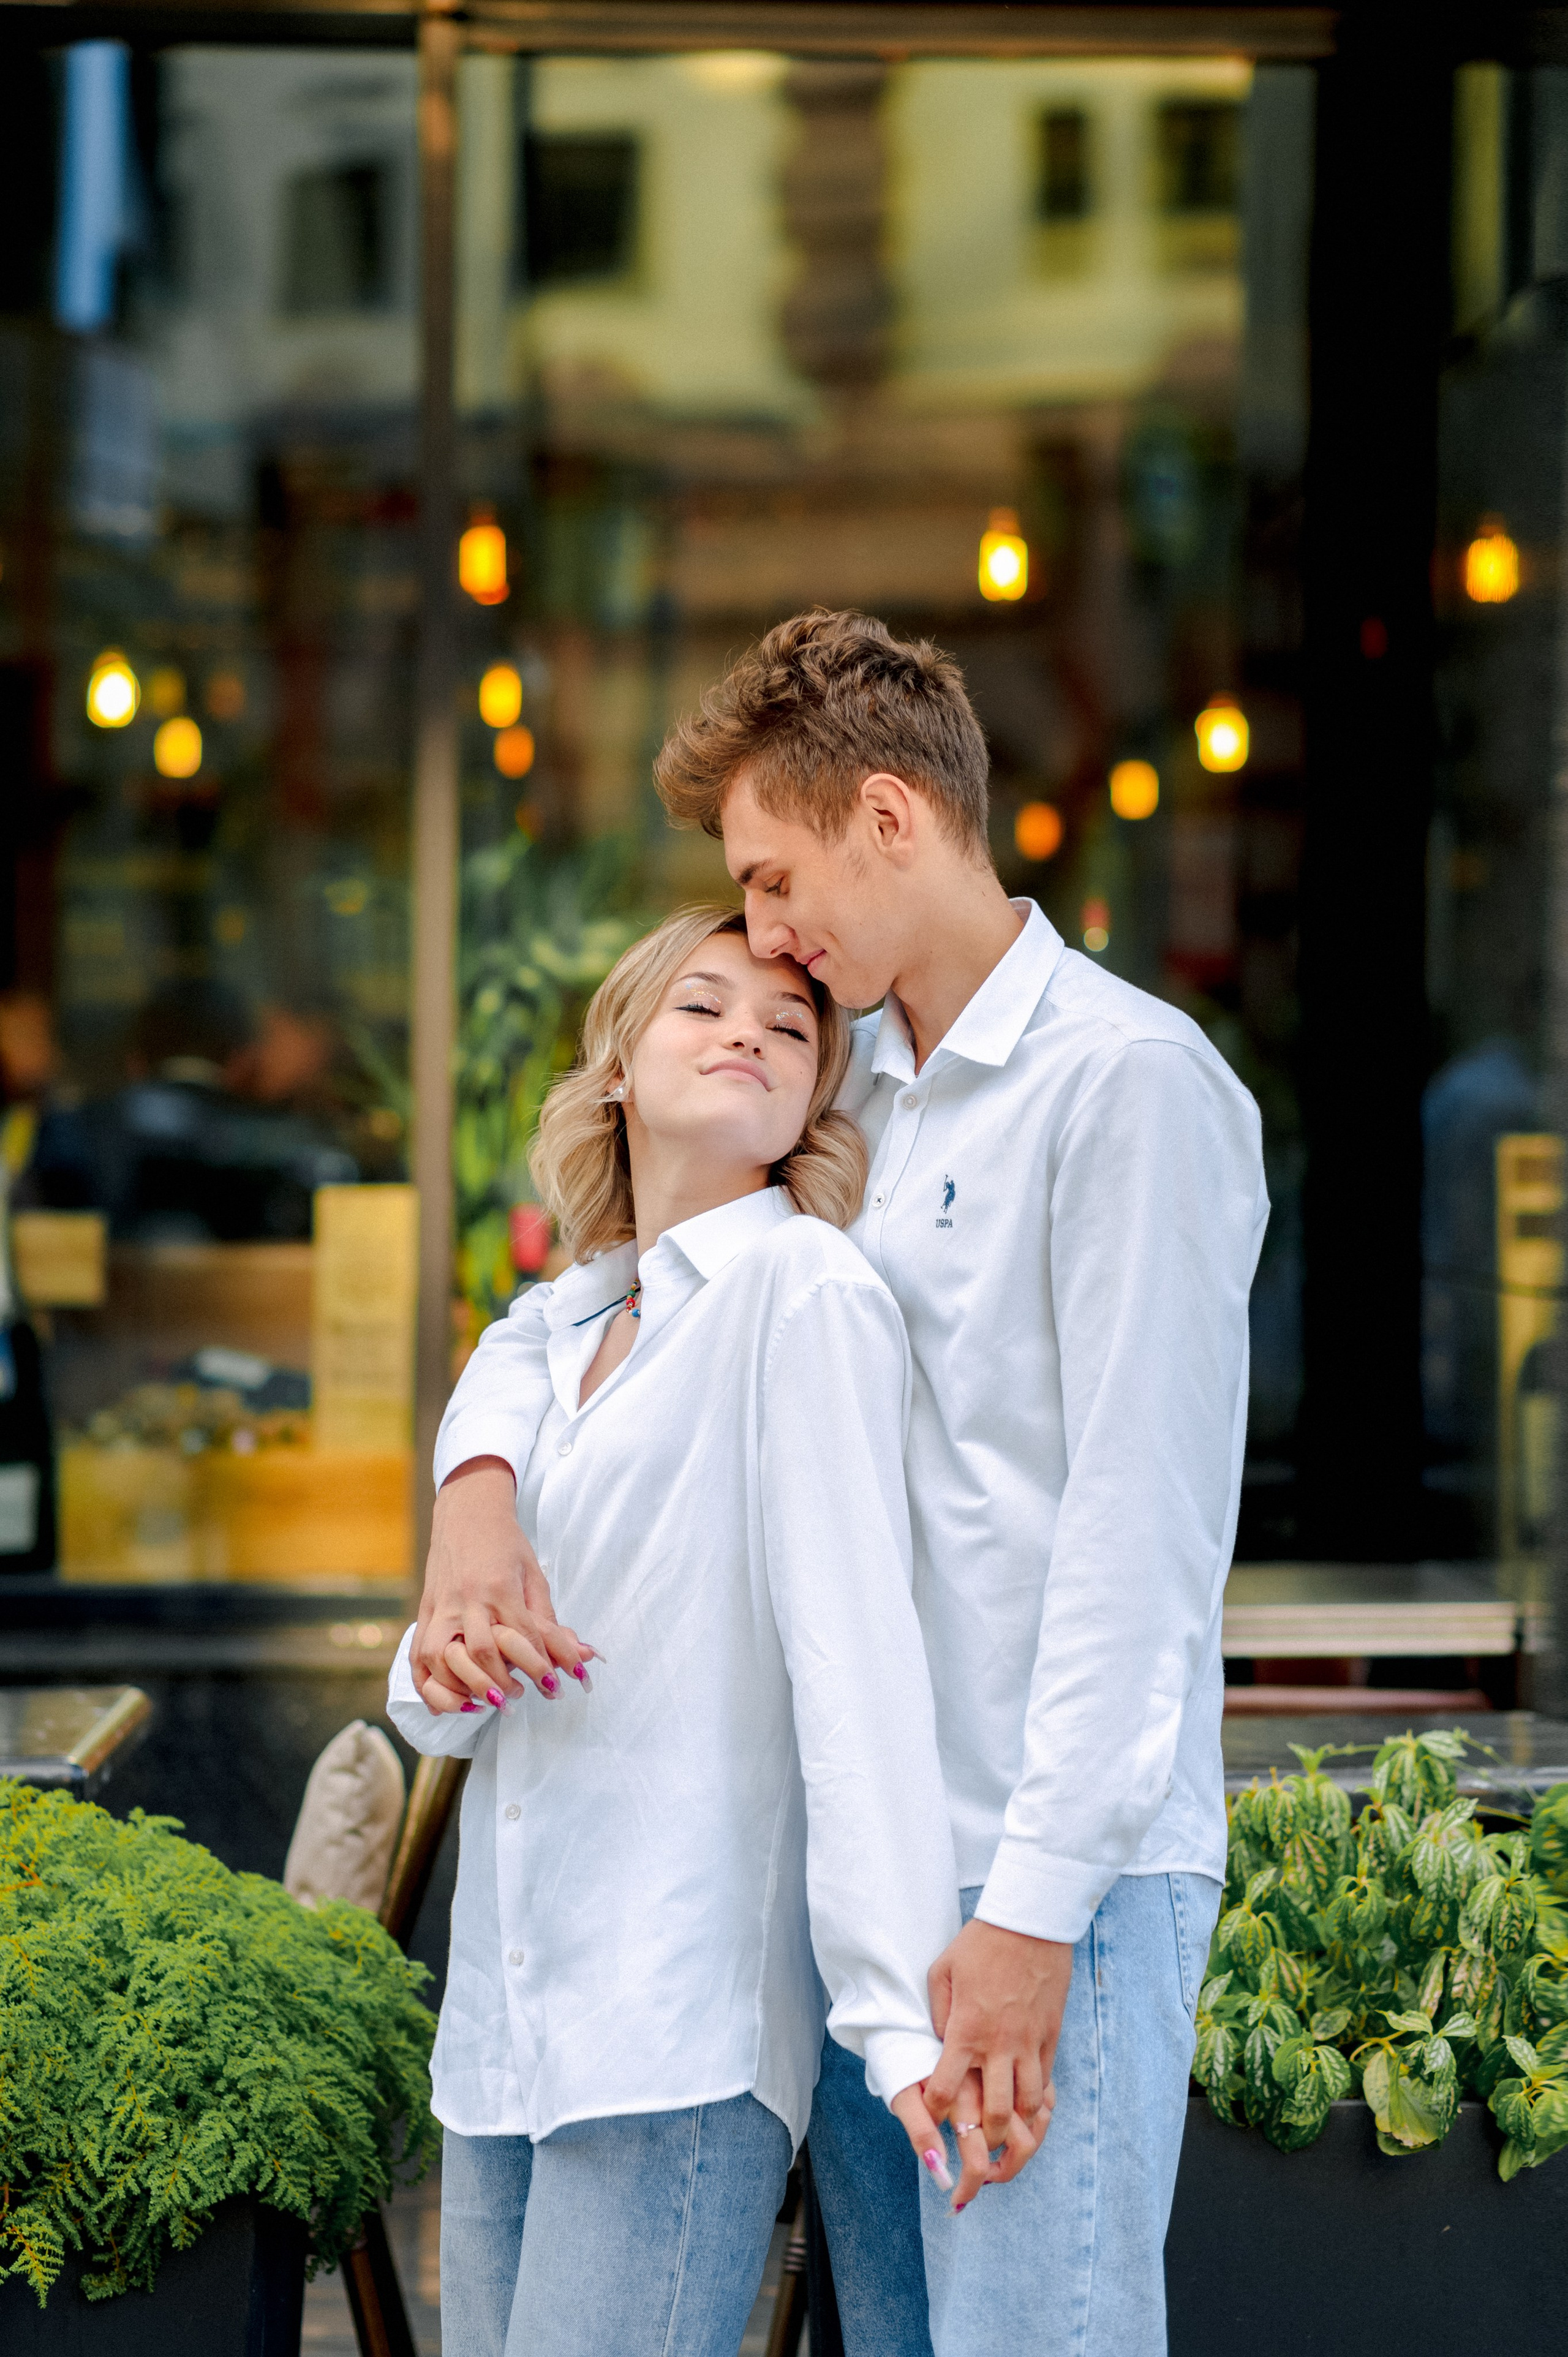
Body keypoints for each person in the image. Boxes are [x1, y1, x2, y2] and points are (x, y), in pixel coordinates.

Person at [416, 613, 1266, 2356]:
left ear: (890, 817)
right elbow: (590, 1298)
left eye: (774, 876)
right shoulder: (847, 1084)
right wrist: (478, 1490)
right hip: (865, 1891)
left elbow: (1139, 1545)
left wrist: (1026, 1926)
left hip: (1055, 1893)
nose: (766, 936)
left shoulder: (1131, 1091)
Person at [389, 904, 1019, 2357]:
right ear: (615, 1061)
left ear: (811, 1101)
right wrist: (453, 1602)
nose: (748, 1028)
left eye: (790, 1027)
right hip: (503, 2029)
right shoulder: (558, 1334)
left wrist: (888, 2017)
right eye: (701, 1004)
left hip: (671, 2032)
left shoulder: (802, 1295)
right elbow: (445, 1704)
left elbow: (855, 1666)